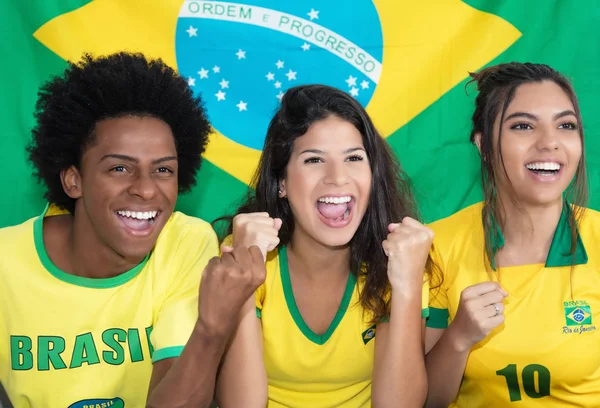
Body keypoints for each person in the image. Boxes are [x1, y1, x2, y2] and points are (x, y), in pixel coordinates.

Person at [0, 52, 265, 407]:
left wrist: (212, 327)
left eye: (163, 170)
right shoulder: (6, 263)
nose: (145, 189)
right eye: (120, 169)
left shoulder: (185, 243)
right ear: (73, 179)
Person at [217, 84, 436, 407]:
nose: (337, 177)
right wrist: (244, 283)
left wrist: (406, 286)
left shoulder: (401, 256)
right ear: (281, 183)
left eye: (354, 158)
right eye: (314, 160)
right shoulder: (247, 250)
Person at [424, 62, 600, 407]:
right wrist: (458, 339)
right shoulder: (437, 246)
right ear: (483, 145)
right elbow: (427, 400)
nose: (549, 143)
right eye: (523, 126)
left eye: (566, 125)